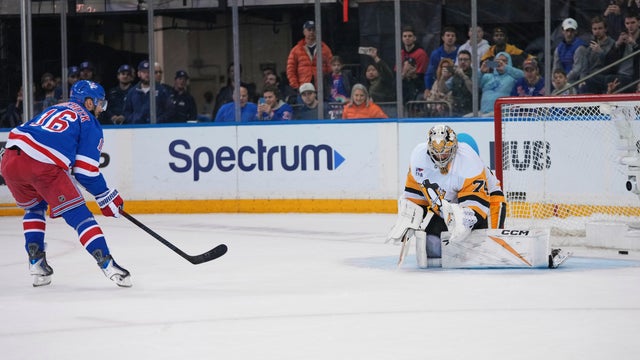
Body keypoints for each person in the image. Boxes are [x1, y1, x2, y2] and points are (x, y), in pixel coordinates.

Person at [0, 80, 131, 287]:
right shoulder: (89, 122)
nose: (101, 108)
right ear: (88, 103)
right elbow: (85, 172)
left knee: (34, 209)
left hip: (9, 158)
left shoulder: (56, 107)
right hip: (42, 166)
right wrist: (105, 196)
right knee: (81, 217)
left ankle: (36, 263)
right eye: (99, 103)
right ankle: (109, 265)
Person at [389, 124, 490, 263]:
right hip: (443, 212)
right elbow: (415, 195)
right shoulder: (419, 157)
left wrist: (464, 219)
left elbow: (477, 204)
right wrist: (411, 214)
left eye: (445, 152)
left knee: (473, 252)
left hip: (468, 213)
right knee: (432, 246)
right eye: (436, 152)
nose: (440, 157)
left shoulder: (469, 161)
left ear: (454, 148)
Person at [286, 20, 333, 92]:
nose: (311, 32)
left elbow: (330, 69)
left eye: (313, 30)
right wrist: (296, 86)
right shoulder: (296, 50)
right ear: (304, 32)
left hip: (321, 89)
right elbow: (290, 70)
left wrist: (328, 85)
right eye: (309, 30)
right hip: (303, 88)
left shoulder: (325, 49)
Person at [122, 60, 174, 124]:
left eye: (149, 72)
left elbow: (170, 111)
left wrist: (159, 121)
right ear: (139, 74)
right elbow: (126, 111)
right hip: (137, 129)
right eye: (144, 72)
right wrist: (134, 120)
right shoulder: (132, 92)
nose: (147, 74)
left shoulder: (161, 90)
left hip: (156, 129)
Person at [578, 16, 616, 94]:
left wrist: (600, 52)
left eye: (600, 28)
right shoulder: (590, 47)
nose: (597, 31)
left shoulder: (613, 44)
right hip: (591, 77)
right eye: (595, 29)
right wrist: (582, 80)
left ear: (605, 29)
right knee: (582, 85)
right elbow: (585, 67)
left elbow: (611, 65)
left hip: (605, 76)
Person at [423, 26, 458, 100]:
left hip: (455, 83)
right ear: (443, 38)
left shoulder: (460, 51)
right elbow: (429, 73)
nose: (450, 38)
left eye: (452, 36)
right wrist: (427, 88)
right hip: (439, 82)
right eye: (448, 35)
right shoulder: (436, 54)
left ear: (455, 38)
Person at [552, 18, 587, 84]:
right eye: (567, 30)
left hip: (576, 82)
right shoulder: (559, 48)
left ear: (576, 31)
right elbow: (556, 67)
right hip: (562, 82)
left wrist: (564, 80)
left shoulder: (580, 47)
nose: (569, 34)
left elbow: (577, 69)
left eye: (572, 31)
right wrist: (555, 81)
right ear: (563, 31)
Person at [400, 25, 429, 102]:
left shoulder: (421, 53)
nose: (407, 38)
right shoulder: (401, 53)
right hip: (403, 87)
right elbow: (396, 75)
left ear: (414, 38)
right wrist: (404, 73)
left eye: (410, 36)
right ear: (402, 38)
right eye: (405, 36)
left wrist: (411, 74)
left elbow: (421, 75)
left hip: (417, 87)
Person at [448, 50, 474, 116]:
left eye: (465, 60)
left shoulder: (475, 73)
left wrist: (463, 75)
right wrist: (442, 77)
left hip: (470, 110)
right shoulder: (455, 75)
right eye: (460, 60)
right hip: (456, 110)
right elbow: (444, 89)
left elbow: (473, 91)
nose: (462, 62)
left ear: (470, 61)